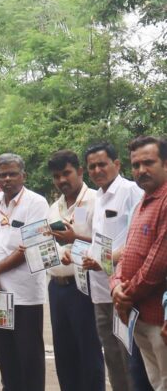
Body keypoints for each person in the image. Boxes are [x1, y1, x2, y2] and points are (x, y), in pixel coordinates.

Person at [0, 153, 49, 391]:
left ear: (23, 176)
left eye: (12, 174)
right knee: (5, 356)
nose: (7, 179)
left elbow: (29, 248)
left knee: (29, 357)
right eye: (2, 174)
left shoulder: (36, 203)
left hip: (25, 295)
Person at [83, 142, 142, 391]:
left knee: (131, 358)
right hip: (100, 292)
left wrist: (105, 260)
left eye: (102, 164)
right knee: (112, 357)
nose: (97, 170)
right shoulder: (98, 195)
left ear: (116, 164)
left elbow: (136, 241)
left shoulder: (131, 191)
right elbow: (101, 241)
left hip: (124, 290)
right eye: (92, 166)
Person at [45, 150, 104, 391]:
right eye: (57, 176)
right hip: (56, 288)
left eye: (67, 173)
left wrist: (76, 245)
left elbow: (103, 243)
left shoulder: (95, 201)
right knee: (64, 352)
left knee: (88, 350)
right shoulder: (54, 208)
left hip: (85, 285)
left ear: (80, 172)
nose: (62, 180)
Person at [112, 136, 167, 390]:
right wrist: (116, 287)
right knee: (156, 383)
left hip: (158, 318)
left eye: (148, 162)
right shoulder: (142, 202)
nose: (141, 170)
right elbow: (126, 254)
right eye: (135, 165)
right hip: (138, 315)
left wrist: (126, 294)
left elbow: (157, 264)